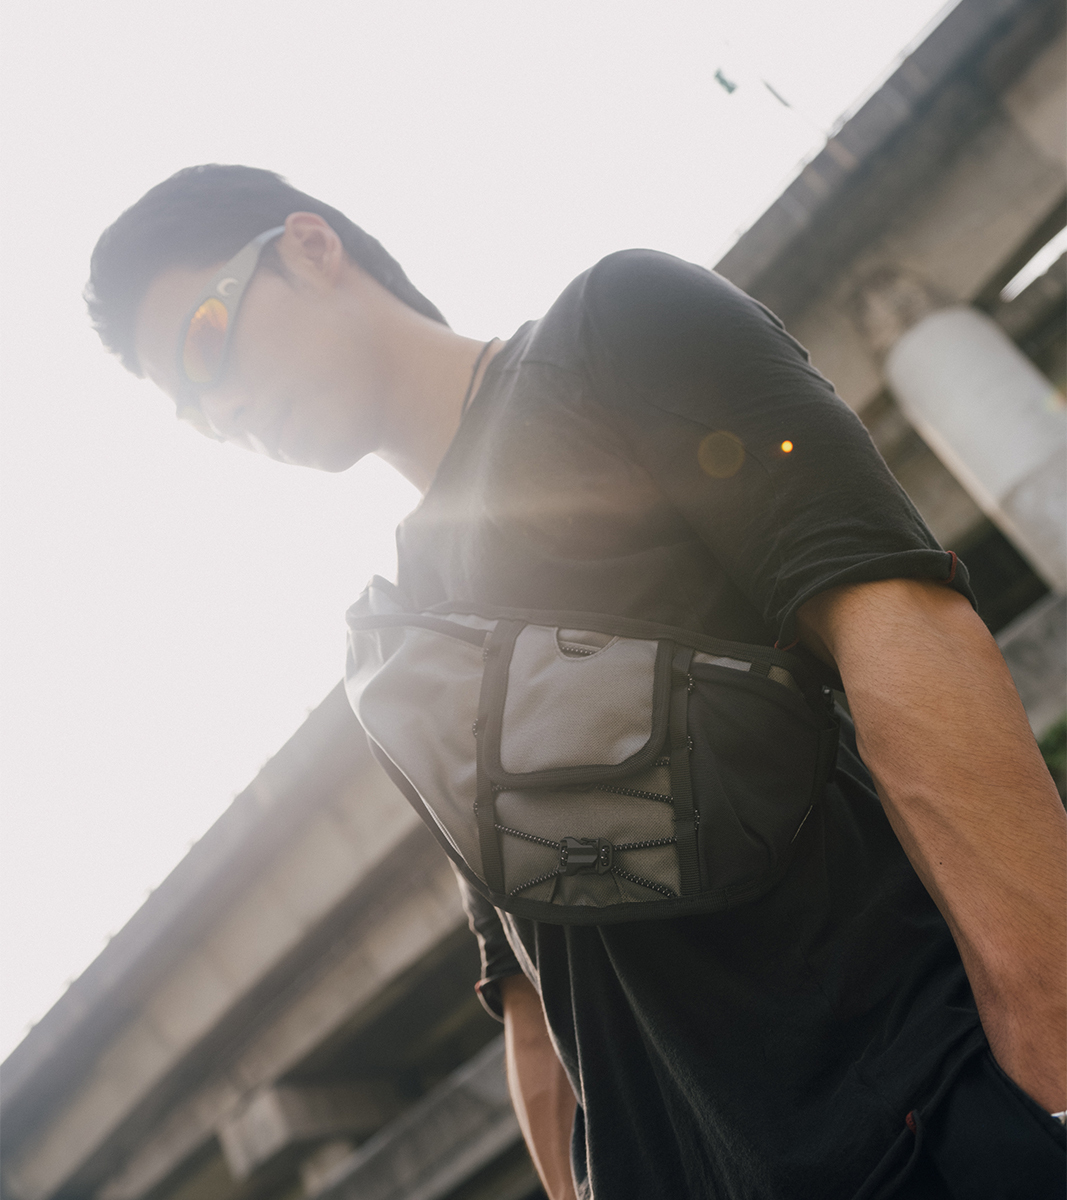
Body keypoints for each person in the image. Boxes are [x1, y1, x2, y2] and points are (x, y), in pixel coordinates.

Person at [87, 164, 1065, 1199]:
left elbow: (894, 623)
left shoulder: (616, 327)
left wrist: (1049, 1049)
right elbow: (530, 984)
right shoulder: (399, 636)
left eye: (205, 342)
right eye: (187, 408)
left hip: (921, 1121)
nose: (219, 407)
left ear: (310, 247)